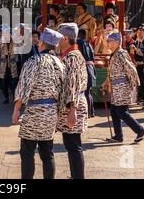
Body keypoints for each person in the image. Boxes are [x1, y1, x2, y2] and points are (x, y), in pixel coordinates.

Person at [12, 28, 65, 179]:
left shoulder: (34, 61)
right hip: (51, 112)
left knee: (27, 152)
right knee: (47, 153)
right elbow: (64, 91)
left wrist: (16, 110)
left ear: (41, 43)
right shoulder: (60, 64)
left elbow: (23, 87)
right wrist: (58, 112)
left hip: (34, 111)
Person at [56, 23, 88, 180]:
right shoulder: (69, 55)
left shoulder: (73, 56)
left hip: (73, 105)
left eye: (59, 37)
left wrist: (72, 110)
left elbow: (73, 85)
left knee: (74, 146)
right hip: (71, 104)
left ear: (65, 38)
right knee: (71, 145)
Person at [104, 32, 144, 142]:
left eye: (110, 41)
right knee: (114, 111)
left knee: (121, 112)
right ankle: (118, 136)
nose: (107, 43)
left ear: (117, 42)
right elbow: (112, 72)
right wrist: (106, 83)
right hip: (115, 87)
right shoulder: (114, 54)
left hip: (122, 86)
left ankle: (140, 130)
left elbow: (130, 68)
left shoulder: (121, 53)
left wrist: (134, 84)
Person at [77, 29, 96, 118]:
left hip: (85, 67)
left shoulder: (80, 42)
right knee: (89, 91)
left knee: (86, 92)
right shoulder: (89, 44)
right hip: (91, 68)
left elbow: (81, 56)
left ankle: (88, 112)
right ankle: (91, 111)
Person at [0, 34, 18, 104]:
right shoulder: (0, 42)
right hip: (3, 66)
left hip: (13, 66)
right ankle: (6, 97)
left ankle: (15, 98)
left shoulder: (15, 42)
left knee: (14, 84)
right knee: (4, 83)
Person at [133, 26, 144, 104]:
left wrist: (135, 49)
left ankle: (143, 98)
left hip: (143, 65)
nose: (139, 33)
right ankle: (139, 97)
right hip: (136, 65)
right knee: (137, 82)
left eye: (141, 32)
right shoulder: (135, 42)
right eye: (138, 32)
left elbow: (143, 54)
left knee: (143, 82)